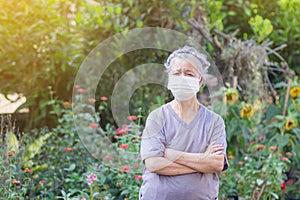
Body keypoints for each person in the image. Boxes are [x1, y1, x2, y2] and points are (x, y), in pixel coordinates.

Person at [139, 46, 228, 200]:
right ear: (169, 80)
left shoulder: (214, 122)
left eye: (189, 73)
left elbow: (216, 164)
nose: (182, 77)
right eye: (176, 73)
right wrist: (201, 161)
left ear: (200, 81)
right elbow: (153, 163)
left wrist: (171, 154)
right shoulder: (157, 117)